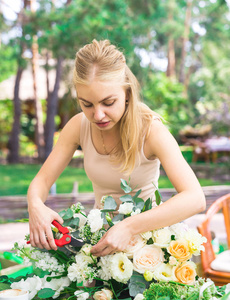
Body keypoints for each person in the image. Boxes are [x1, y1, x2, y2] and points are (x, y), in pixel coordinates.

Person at [27, 39, 206, 257]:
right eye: (87, 104)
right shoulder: (77, 126)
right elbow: (42, 181)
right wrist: (35, 204)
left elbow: (195, 198)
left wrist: (129, 226)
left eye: (108, 102)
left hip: (149, 247)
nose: (98, 115)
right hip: (100, 242)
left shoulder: (151, 130)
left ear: (127, 94)